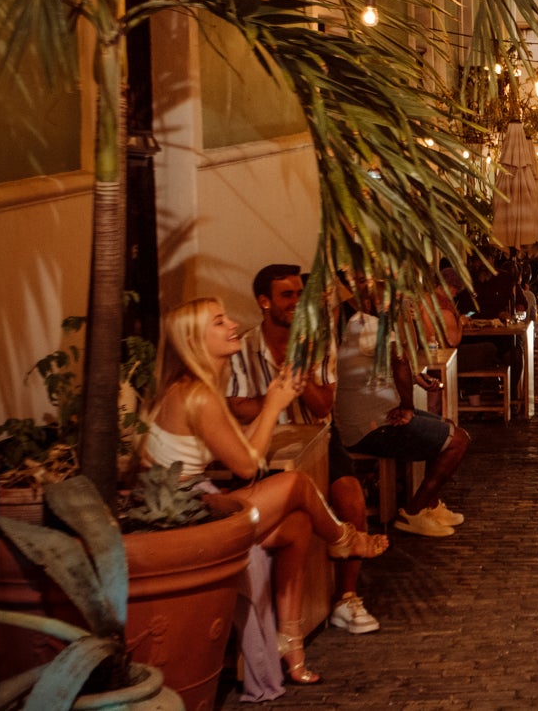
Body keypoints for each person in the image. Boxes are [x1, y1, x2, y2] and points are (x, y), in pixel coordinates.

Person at [142, 297, 387, 685]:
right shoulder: (197, 395)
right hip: (185, 514)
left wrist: (275, 398)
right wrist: (274, 405)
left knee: (299, 525)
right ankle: (343, 538)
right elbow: (245, 466)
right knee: (295, 483)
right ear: (194, 341)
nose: (232, 325)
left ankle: (291, 646)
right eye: (219, 321)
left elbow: (242, 447)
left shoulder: (195, 388)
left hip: (195, 502)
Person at [226, 264, 379, 636]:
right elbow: (237, 407)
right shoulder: (242, 347)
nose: (297, 302)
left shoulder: (318, 343)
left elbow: (323, 405)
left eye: (300, 294)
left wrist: (297, 373)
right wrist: (274, 401)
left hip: (318, 434)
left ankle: (346, 597)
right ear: (265, 302)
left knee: (351, 498)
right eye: (287, 295)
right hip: (264, 441)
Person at [334, 277, 471, 538]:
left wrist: (418, 378)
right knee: (458, 441)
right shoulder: (369, 325)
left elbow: (395, 362)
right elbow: (399, 362)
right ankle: (413, 512)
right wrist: (407, 407)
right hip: (371, 427)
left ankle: (430, 504)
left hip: (372, 417)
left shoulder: (357, 323)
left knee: (447, 427)